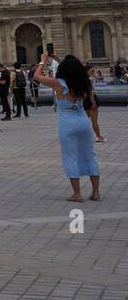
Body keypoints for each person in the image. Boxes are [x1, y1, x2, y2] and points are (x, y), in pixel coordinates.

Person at [32, 53, 100, 202]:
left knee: (70, 157)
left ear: (63, 69)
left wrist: (42, 61)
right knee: (90, 155)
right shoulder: (84, 82)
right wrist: (60, 60)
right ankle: (96, 192)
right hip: (83, 120)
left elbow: (36, 76)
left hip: (67, 122)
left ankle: (77, 194)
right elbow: (76, 68)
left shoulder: (58, 83)